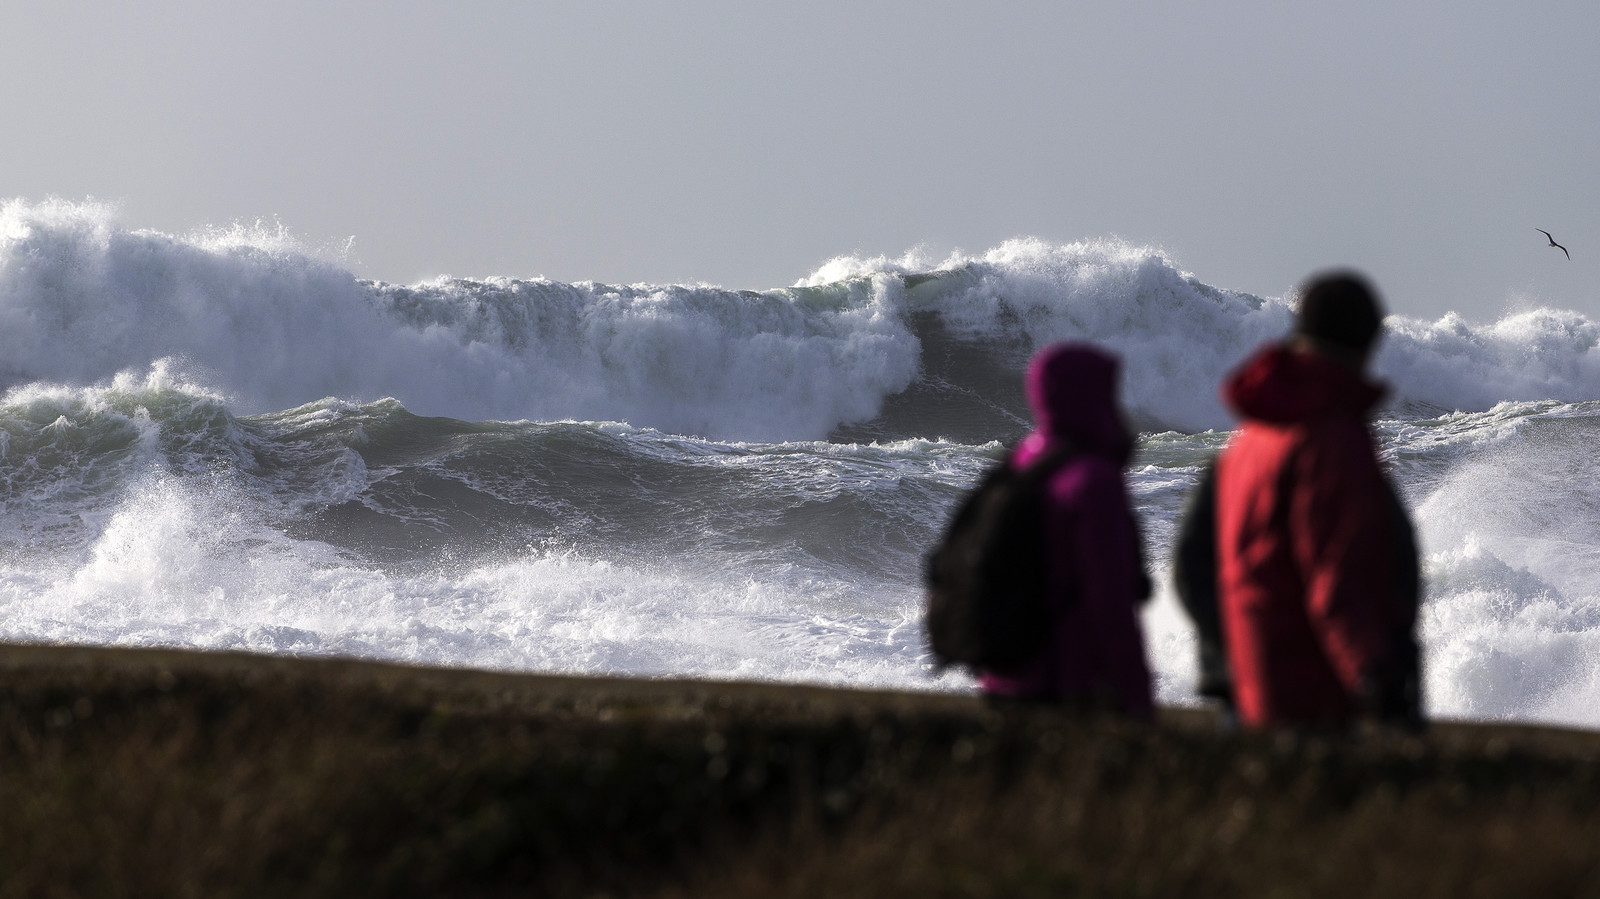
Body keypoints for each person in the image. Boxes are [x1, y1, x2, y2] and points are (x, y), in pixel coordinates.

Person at [1175, 271, 1420, 729]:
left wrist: (1230, 658)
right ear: (1369, 342)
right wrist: (1374, 678)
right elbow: (1336, 578)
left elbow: (1196, 564)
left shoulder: (1250, 437)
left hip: (1253, 684)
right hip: (1313, 693)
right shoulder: (1331, 437)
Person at [977, 342, 1154, 718]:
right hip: (1068, 686)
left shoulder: (1018, 463)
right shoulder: (1093, 481)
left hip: (1004, 679)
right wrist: (1137, 698)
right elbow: (1110, 601)